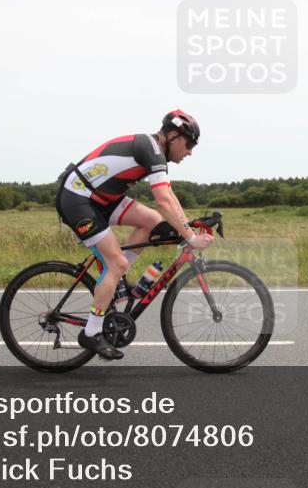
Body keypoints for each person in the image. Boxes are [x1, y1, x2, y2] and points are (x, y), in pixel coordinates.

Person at [54, 110, 214, 360]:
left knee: (152, 222)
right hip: (78, 199)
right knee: (115, 263)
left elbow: (169, 198)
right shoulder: (150, 149)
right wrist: (191, 238)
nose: (190, 151)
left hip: (102, 199)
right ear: (173, 136)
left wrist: (188, 227)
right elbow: (162, 200)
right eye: (189, 143)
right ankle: (92, 332)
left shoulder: (154, 150)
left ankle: (116, 283)